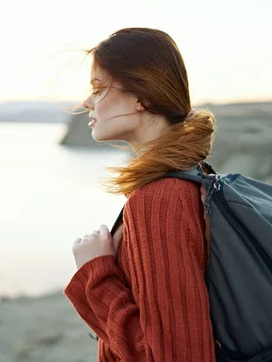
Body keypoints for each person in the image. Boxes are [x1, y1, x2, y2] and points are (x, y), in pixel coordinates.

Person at [64, 27, 216, 361]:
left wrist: (96, 273)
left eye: (99, 89)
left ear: (141, 97)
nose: (87, 102)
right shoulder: (195, 176)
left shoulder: (160, 199)